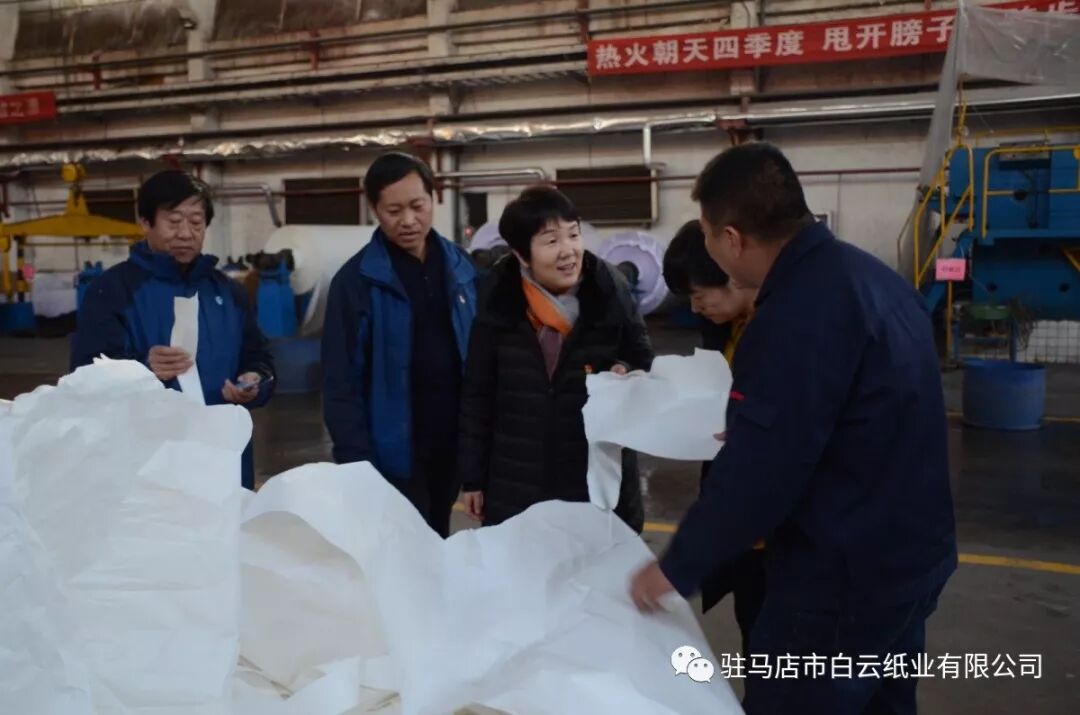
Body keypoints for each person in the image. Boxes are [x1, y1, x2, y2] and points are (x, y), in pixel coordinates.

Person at [631, 143, 957, 715]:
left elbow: (759, 476)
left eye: (706, 233)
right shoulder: (874, 280)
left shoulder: (792, 318)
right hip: (911, 561)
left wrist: (676, 568)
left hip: (839, 583)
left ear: (732, 238)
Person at [457, 186, 654, 531]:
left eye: (573, 235)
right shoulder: (498, 299)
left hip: (594, 481)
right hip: (515, 479)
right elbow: (477, 394)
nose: (568, 251)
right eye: (551, 241)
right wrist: (473, 477)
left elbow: (642, 357)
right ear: (522, 254)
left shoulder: (609, 289)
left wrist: (626, 369)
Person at [71, 170, 275, 490]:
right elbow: (84, 377)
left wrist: (254, 381)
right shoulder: (111, 291)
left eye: (196, 222)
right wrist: (142, 368)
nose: (185, 233)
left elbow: (258, 357)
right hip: (147, 463)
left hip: (222, 457)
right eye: (174, 221)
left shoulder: (228, 292)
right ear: (145, 223)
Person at [322, 152, 478, 538]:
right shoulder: (355, 282)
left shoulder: (462, 269)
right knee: (399, 546)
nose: (408, 220)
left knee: (438, 534)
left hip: (451, 443)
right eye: (393, 211)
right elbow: (341, 382)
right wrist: (356, 461)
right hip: (392, 451)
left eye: (417, 206)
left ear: (434, 198)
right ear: (374, 208)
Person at [662, 218, 764, 658]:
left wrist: (678, 566)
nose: (696, 307)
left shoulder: (785, 332)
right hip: (747, 535)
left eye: (699, 294)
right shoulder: (731, 328)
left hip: (784, 539)